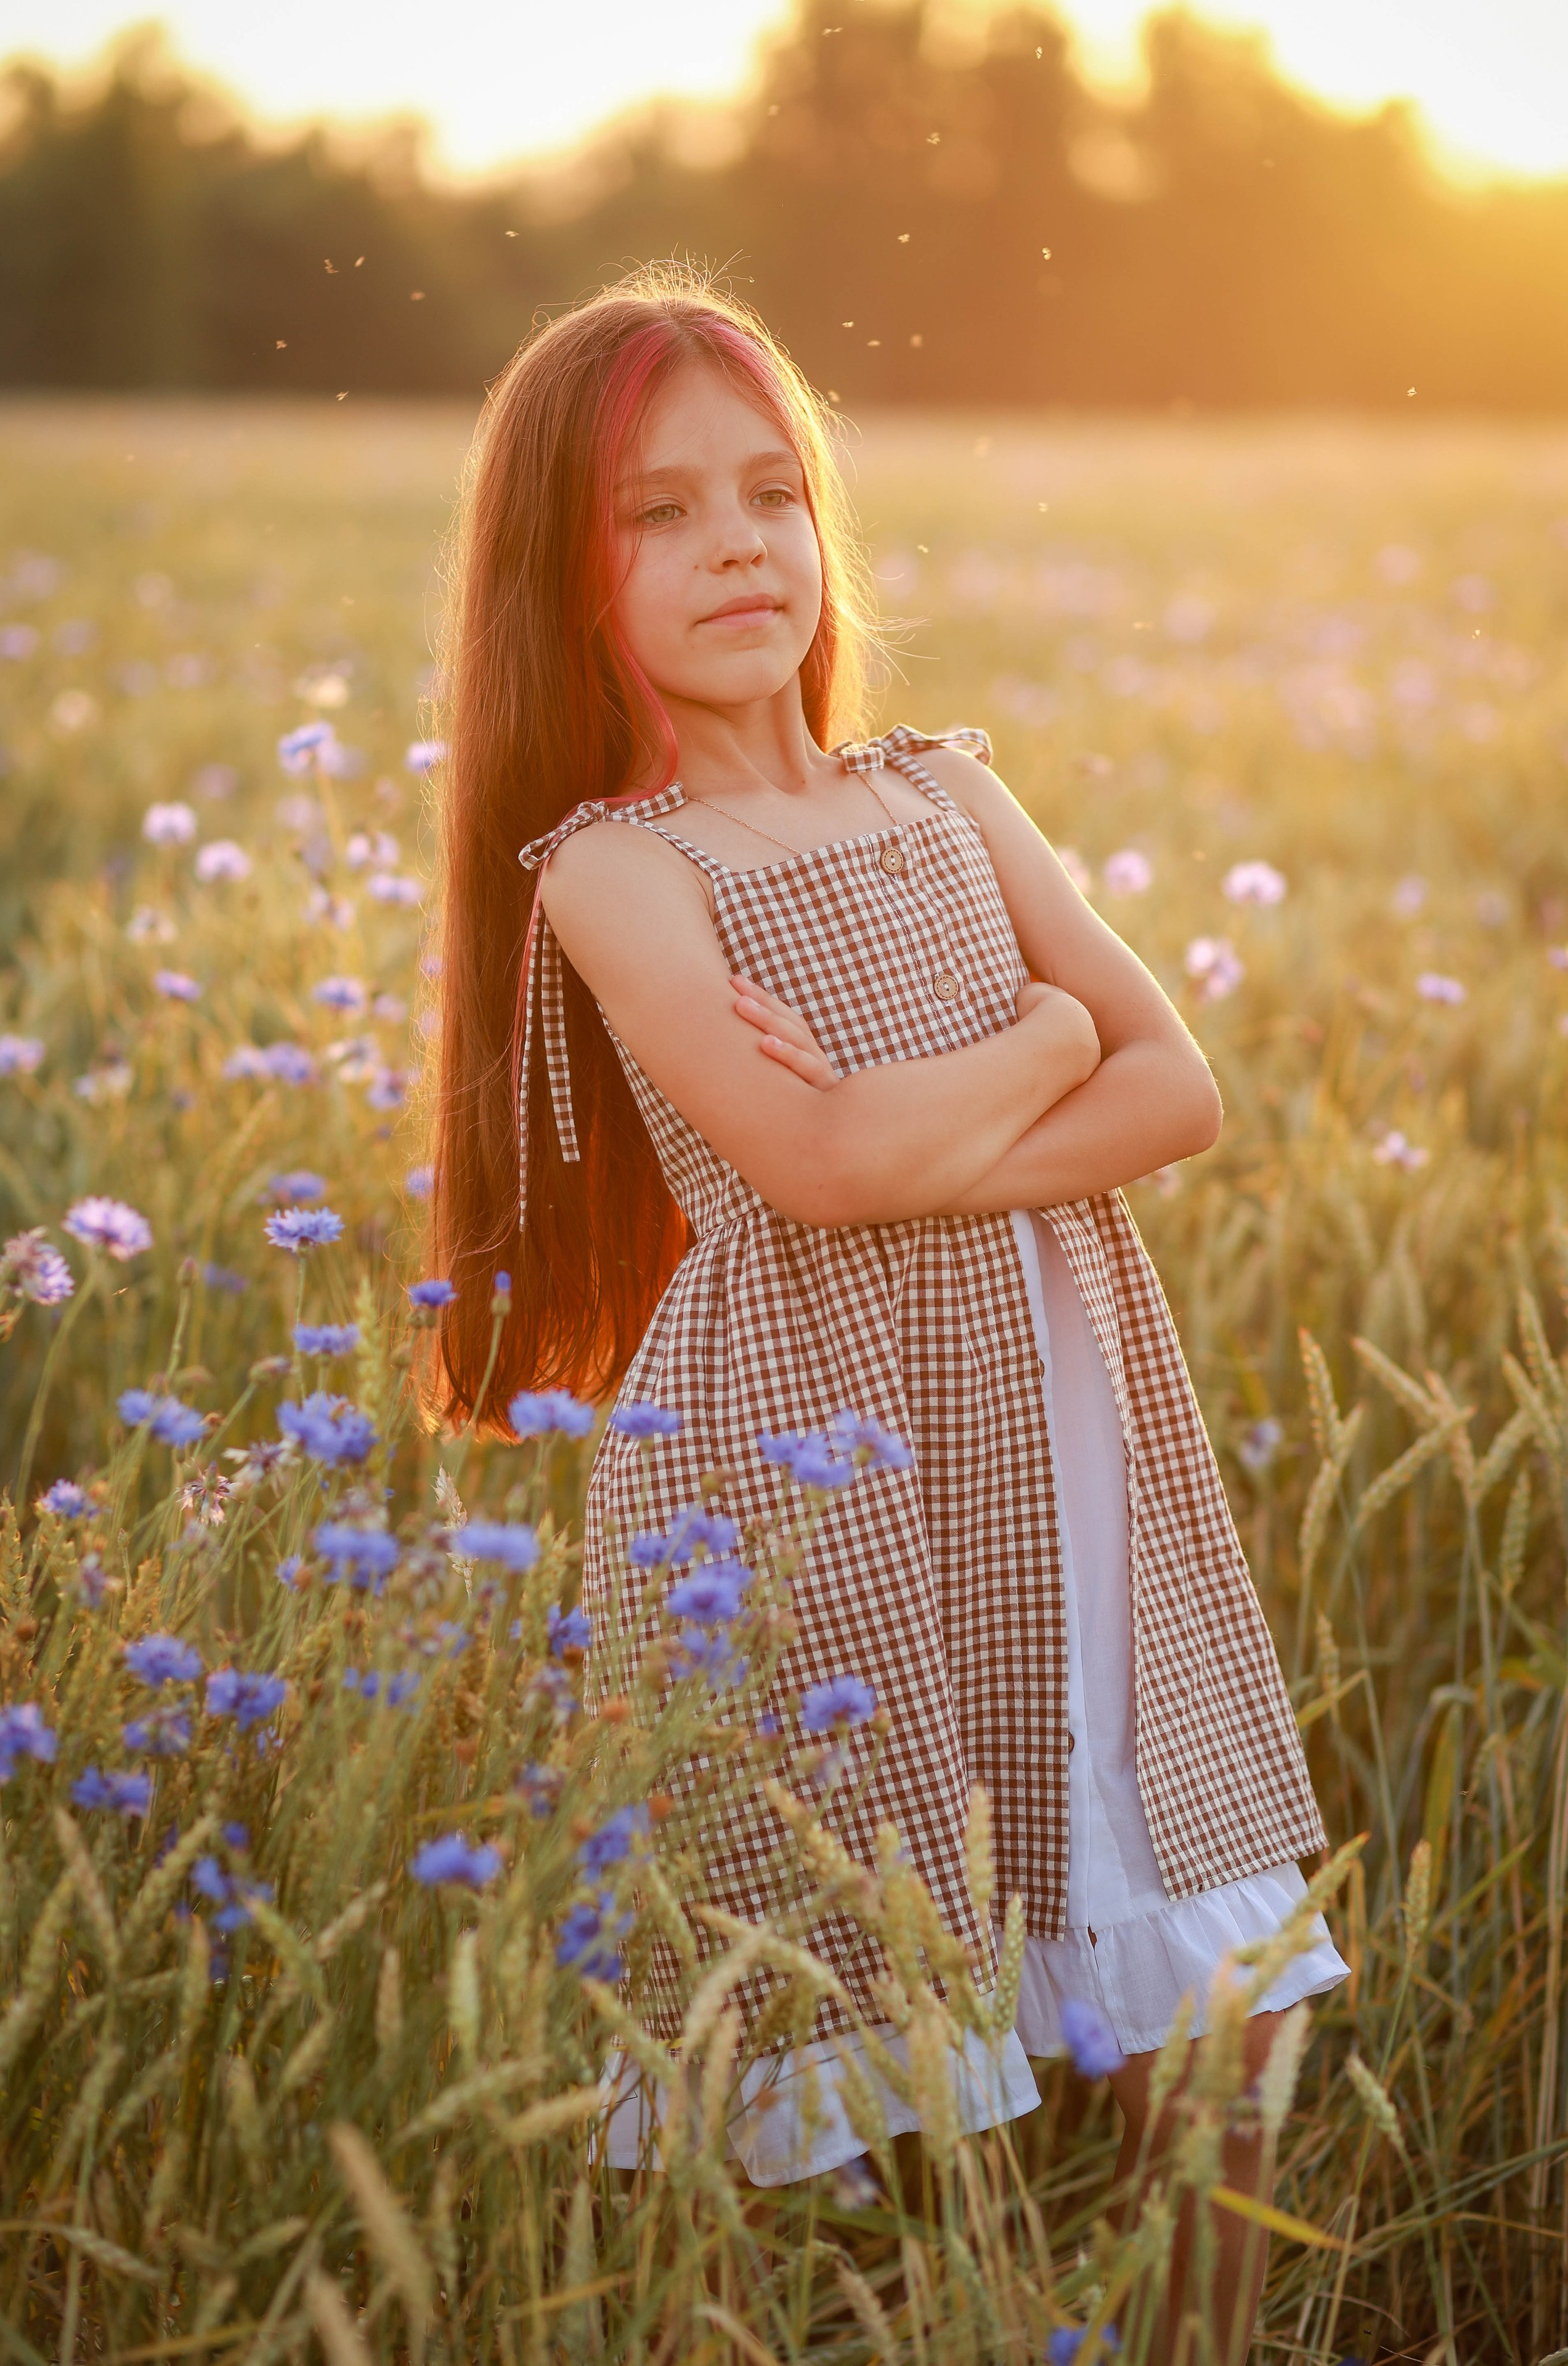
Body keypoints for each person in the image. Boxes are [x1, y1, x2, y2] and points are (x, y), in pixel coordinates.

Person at [429, 265, 1346, 2357]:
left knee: (1179, 1950)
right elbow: (824, 1176)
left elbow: (1181, 1090)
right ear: (560, 578)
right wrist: (1039, 1043)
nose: (736, 543)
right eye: (656, 514)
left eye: (770, 492)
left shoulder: (947, 788)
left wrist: (943, 1099)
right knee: (853, 1974)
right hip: (812, 1459)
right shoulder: (615, 866)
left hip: (1066, 1429)